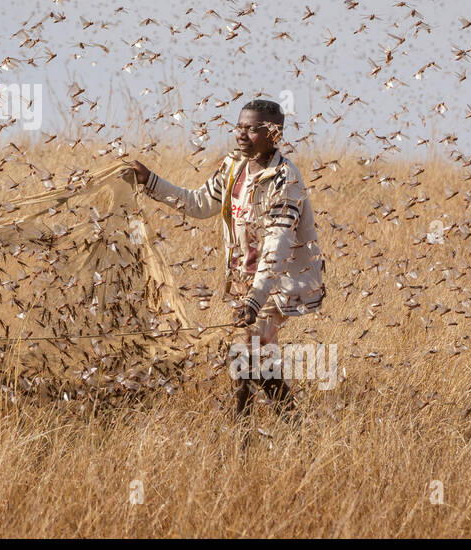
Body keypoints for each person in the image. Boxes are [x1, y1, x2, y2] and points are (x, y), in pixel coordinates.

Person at [128, 98, 325, 415]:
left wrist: (255, 300)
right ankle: (288, 428)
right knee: (254, 359)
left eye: (252, 129)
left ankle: (248, 430)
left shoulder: (284, 180)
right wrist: (149, 181)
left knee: (246, 357)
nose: (242, 135)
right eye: (239, 127)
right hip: (245, 280)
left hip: (279, 282)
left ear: (275, 134)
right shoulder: (235, 166)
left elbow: (278, 245)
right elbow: (199, 203)